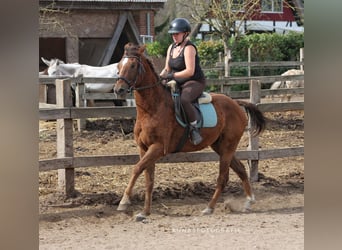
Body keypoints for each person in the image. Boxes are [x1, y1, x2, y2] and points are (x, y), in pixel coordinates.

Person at [160, 18, 206, 145]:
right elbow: (166, 69)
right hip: (177, 81)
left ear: (185, 33)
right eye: (173, 34)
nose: (174, 36)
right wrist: (159, 78)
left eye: (177, 34)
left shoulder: (189, 48)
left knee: (184, 100)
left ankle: (194, 128)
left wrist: (171, 76)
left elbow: (189, 71)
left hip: (194, 81)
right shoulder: (171, 47)